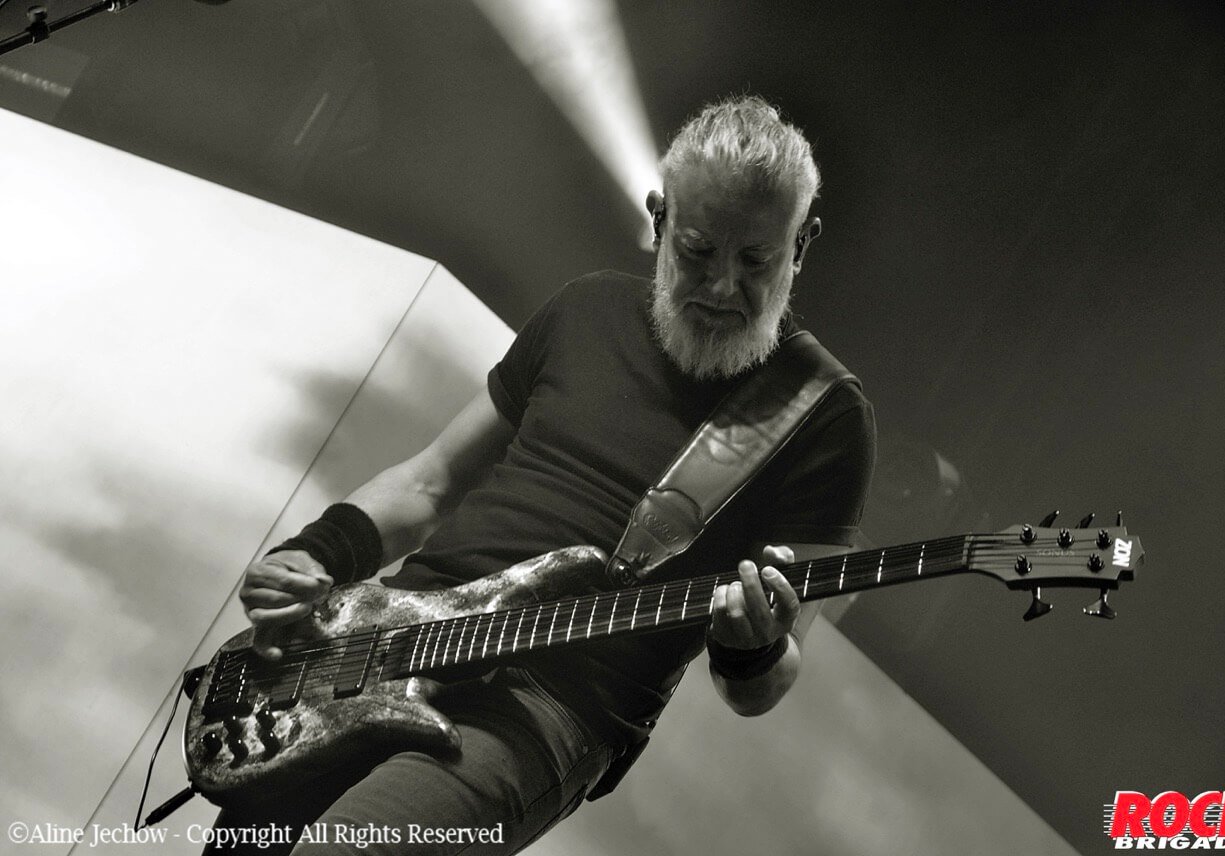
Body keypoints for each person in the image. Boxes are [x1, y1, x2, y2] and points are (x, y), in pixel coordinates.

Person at [216, 94, 876, 854]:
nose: (724, 286)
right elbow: (431, 483)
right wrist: (314, 556)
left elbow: (763, 687)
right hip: (383, 641)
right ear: (659, 220)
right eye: (698, 250)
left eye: (756, 260)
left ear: (801, 244)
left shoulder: (823, 413)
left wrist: (751, 645)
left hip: (546, 707)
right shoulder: (584, 309)